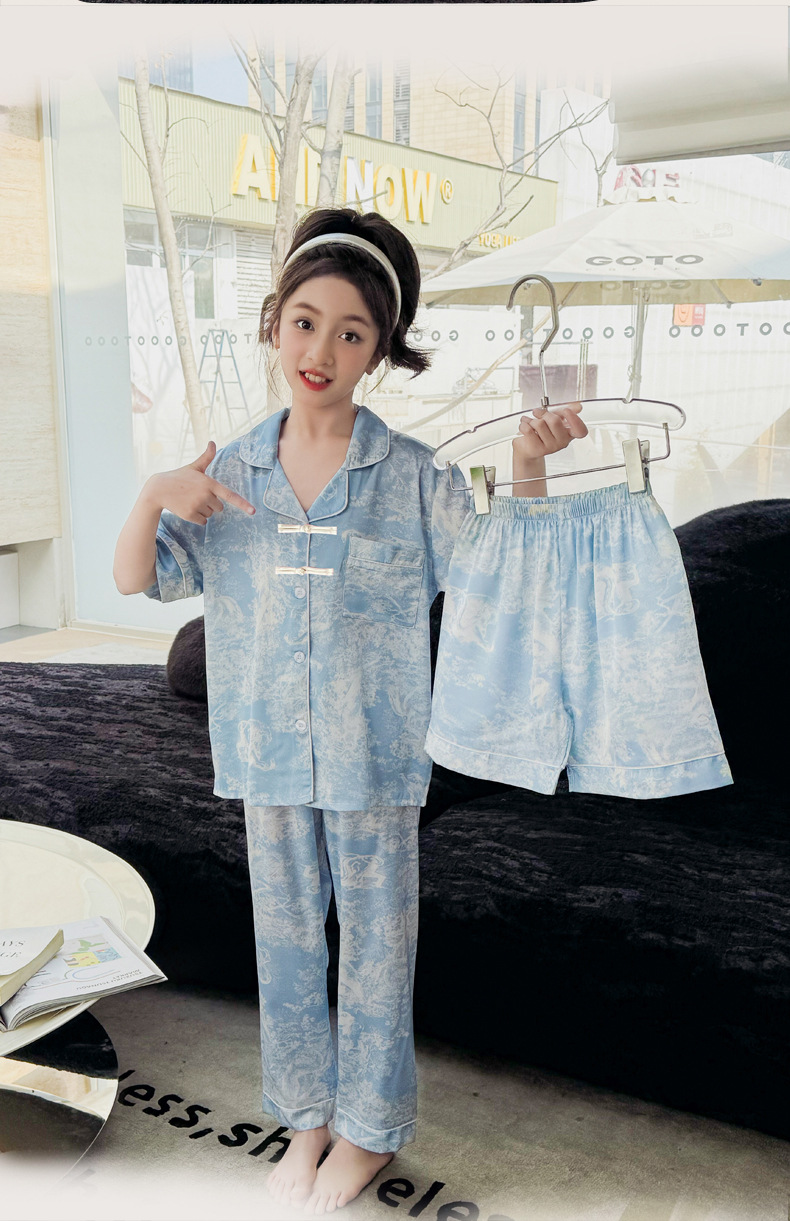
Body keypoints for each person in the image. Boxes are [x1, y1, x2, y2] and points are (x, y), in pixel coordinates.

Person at [113, 206, 585, 1215]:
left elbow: (507, 570)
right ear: (274, 322)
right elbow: (137, 577)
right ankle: (306, 1120)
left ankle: (368, 1131)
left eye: (351, 332)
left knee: (377, 949)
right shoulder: (227, 473)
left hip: (376, 759)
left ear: (380, 350)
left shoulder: (412, 478)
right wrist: (154, 491)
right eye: (305, 321)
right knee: (285, 946)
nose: (320, 350)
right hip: (264, 755)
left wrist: (530, 465)